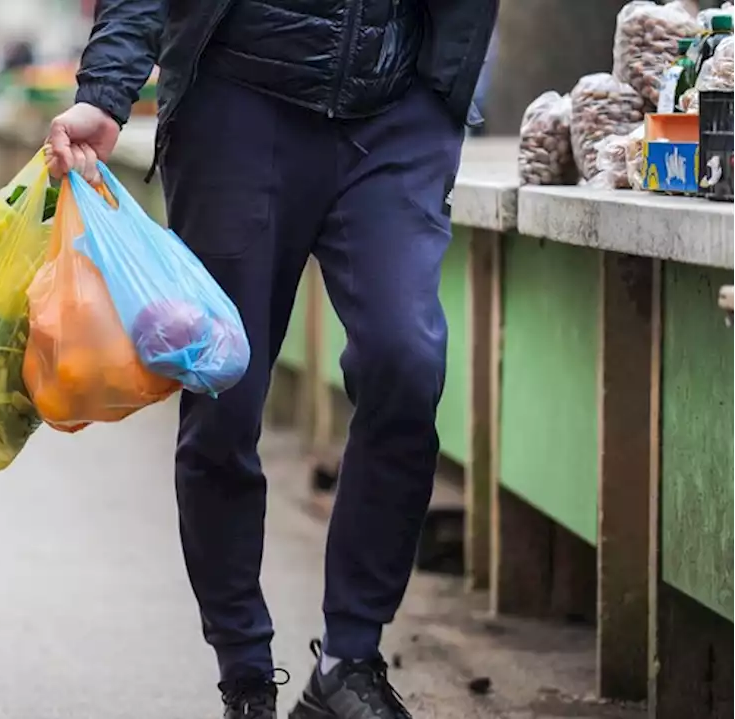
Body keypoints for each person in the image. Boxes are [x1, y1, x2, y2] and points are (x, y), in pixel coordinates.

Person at [45, 1, 497, 718]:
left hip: (396, 109)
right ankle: (246, 674)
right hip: (239, 105)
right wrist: (105, 93)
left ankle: (350, 660)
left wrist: (446, 93)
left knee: (405, 360)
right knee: (224, 396)